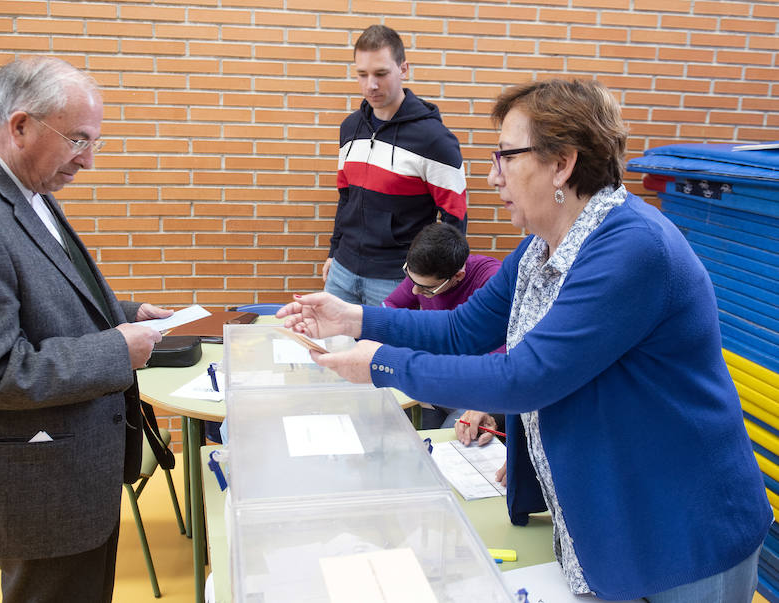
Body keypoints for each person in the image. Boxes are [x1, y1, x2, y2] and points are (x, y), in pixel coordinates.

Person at [279, 78, 771, 601]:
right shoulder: (542, 247)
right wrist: (354, 319)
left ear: (562, 163)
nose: (493, 177)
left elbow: (525, 378)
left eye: (506, 156)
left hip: (684, 530)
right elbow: (463, 329)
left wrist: (382, 364)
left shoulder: (632, 248)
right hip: (616, 513)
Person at [0, 56, 173, 602]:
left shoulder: (19, 184)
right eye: (77, 139)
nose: (88, 160)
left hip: (70, 467)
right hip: (37, 479)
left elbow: (34, 297)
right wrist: (116, 351)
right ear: (20, 125)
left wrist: (120, 312)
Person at [323, 24, 468, 306]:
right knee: (332, 348)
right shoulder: (350, 128)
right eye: (362, 75)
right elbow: (346, 198)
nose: (371, 85)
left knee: (384, 352)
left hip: (396, 280)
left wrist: (433, 280)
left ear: (403, 69)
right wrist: (333, 252)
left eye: (381, 73)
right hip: (342, 271)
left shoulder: (434, 139)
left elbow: (454, 218)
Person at [384, 222, 503, 430]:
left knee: (455, 438)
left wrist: (484, 400)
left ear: (458, 275)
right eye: (411, 279)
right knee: (392, 423)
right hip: (440, 378)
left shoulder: (491, 282)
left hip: (480, 388)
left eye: (426, 288)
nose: (415, 292)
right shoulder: (424, 274)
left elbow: (508, 350)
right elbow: (391, 306)